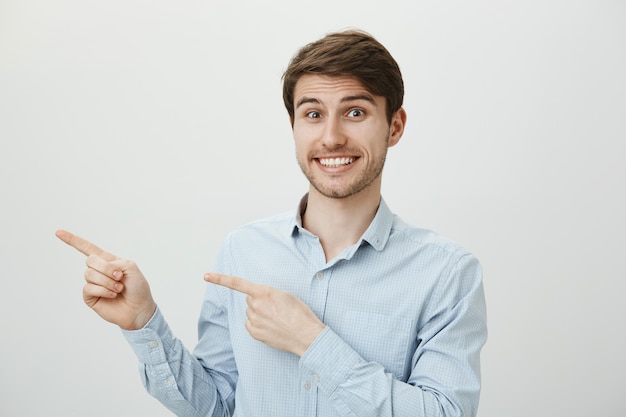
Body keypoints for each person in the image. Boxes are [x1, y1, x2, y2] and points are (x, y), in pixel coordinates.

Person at [56, 29, 487, 417]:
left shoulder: (446, 272)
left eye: (355, 112)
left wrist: (312, 342)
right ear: (294, 125)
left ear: (395, 126)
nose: (331, 137)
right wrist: (144, 323)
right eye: (313, 114)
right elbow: (218, 406)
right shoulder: (244, 250)